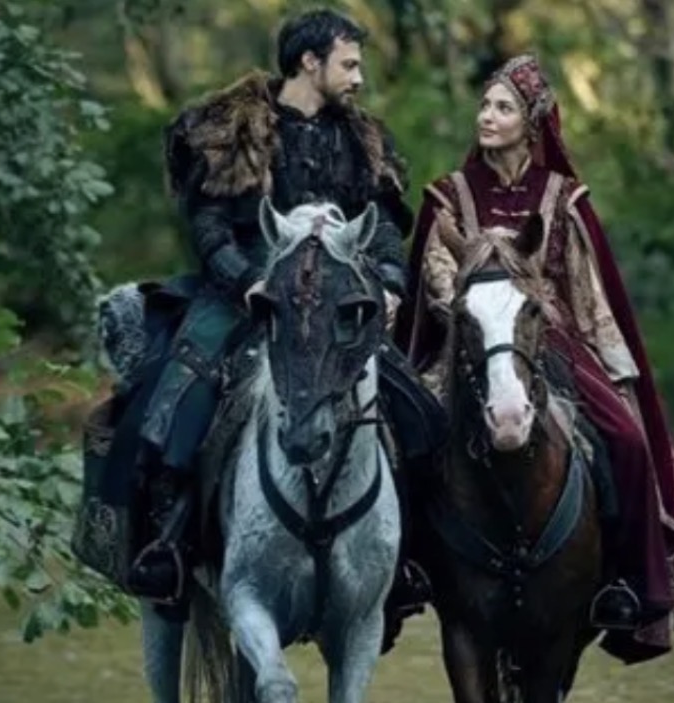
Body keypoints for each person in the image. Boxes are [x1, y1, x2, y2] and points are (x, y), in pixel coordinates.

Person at [86, 9, 441, 702]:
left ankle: (405, 563)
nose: (358, 77)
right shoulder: (233, 129)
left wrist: (389, 284)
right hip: (248, 293)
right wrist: (244, 279)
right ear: (309, 62)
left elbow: (384, 232)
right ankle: (167, 546)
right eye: (349, 63)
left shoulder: (364, 140)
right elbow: (208, 222)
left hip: (337, 305)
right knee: (172, 395)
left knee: (419, 412)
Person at [394, 54, 674, 664]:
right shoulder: (449, 195)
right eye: (484, 105)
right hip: (467, 338)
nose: (486, 117)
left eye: (503, 108)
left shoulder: (563, 197)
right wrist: (471, 306)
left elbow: (587, 288)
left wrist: (610, 360)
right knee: (406, 435)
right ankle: (405, 572)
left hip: (551, 338)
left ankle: (627, 584)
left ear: (532, 122)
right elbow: (435, 277)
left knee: (626, 440)